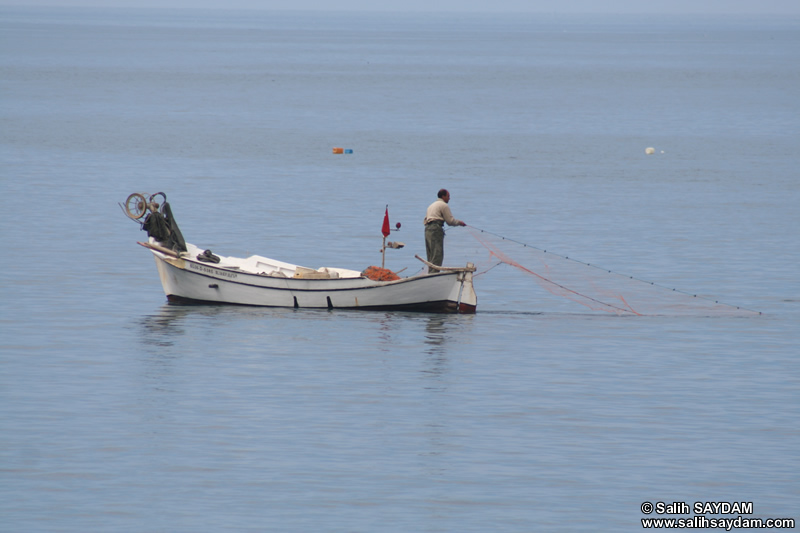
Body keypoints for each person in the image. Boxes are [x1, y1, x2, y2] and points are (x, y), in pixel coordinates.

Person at [423, 188, 466, 273]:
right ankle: (433, 276)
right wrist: (460, 223)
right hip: (435, 229)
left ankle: (430, 274)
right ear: (443, 196)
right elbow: (450, 221)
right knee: (437, 254)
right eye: (448, 196)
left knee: (430, 255)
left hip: (427, 229)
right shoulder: (443, 205)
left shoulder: (431, 205)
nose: (449, 198)